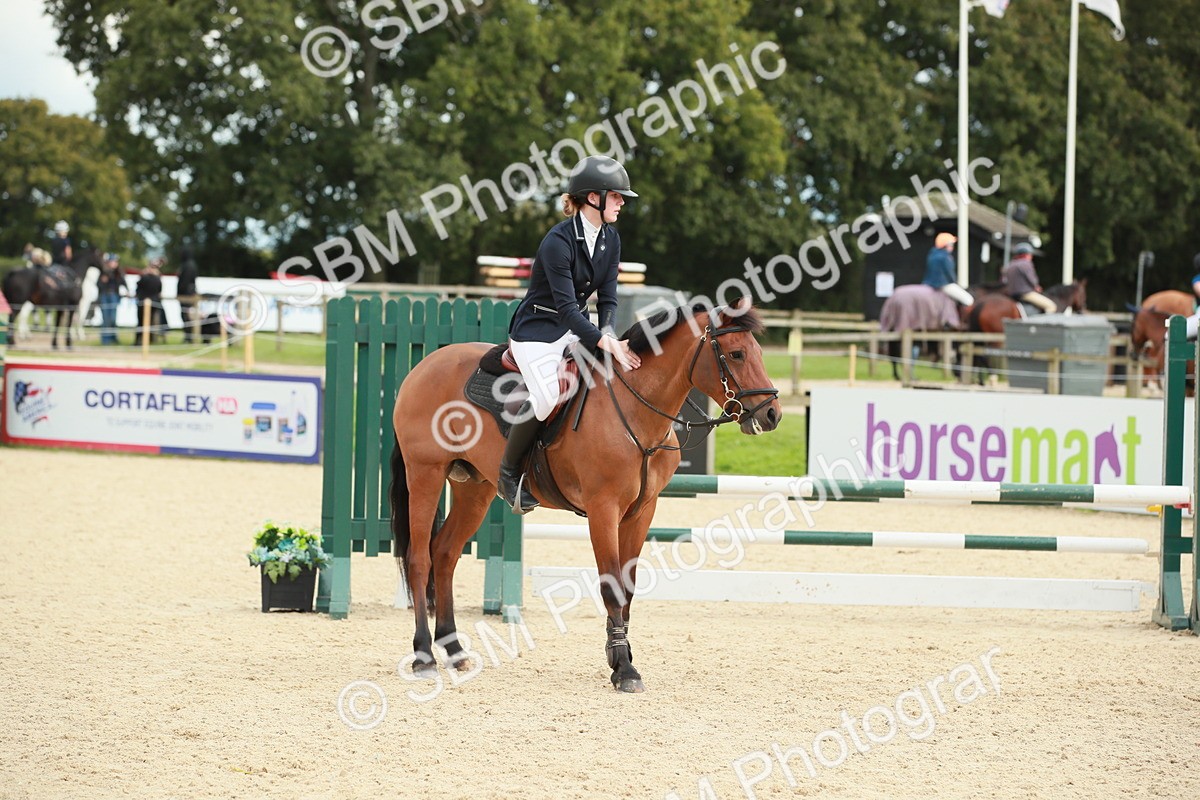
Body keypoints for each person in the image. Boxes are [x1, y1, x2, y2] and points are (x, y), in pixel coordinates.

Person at [498, 155, 642, 514]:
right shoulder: (557, 242)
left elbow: (608, 296)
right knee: (547, 398)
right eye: (617, 196)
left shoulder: (611, 239)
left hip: (577, 330)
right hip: (538, 331)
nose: (622, 202)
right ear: (594, 197)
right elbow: (565, 308)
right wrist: (602, 340)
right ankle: (508, 474)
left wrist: (607, 331)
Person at [1002, 242, 1056, 314]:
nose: (1031, 256)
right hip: (1025, 294)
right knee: (1051, 306)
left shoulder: (1010, 265)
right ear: (1025, 254)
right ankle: (1044, 324)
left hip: (1011, 294)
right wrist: (1036, 287)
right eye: (1030, 254)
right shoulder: (1026, 263)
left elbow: (1004, 280)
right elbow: (1032, 280)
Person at [922, 232, 973, 306]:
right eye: (951, 245)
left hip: (927, 284)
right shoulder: (946, 257)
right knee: (969, 300)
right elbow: (949, 273)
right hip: (942, 285)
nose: (952, 247)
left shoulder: (931, 254)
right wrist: (955, 283)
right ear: (945, 245)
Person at [97, 253, 127, 345]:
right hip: (105, 296)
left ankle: (113, 338)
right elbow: (98, 285)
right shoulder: (103, 272)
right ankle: (105, 340)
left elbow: (123, 283)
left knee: (113, 318)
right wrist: (103, 281)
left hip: (114, 296)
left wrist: (127, 291)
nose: (114, 263)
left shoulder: (118, 272)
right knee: (106, 319)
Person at [135, 257, 165, 344]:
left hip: (143, 302)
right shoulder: (157, 279)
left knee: (141, 322)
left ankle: (139, 341)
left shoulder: (144, 277)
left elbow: (138, 288)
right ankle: (148, 340)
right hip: (153, 302)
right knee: (149, 322)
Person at [176, 245, 200, 343]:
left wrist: (180, 292)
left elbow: (184, 282)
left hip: (186, 294)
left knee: (187, 316)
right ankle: (188, 336)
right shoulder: (190, 264)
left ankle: (189, 336)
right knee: (186, 315)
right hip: (188, 293)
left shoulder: (188, 266)